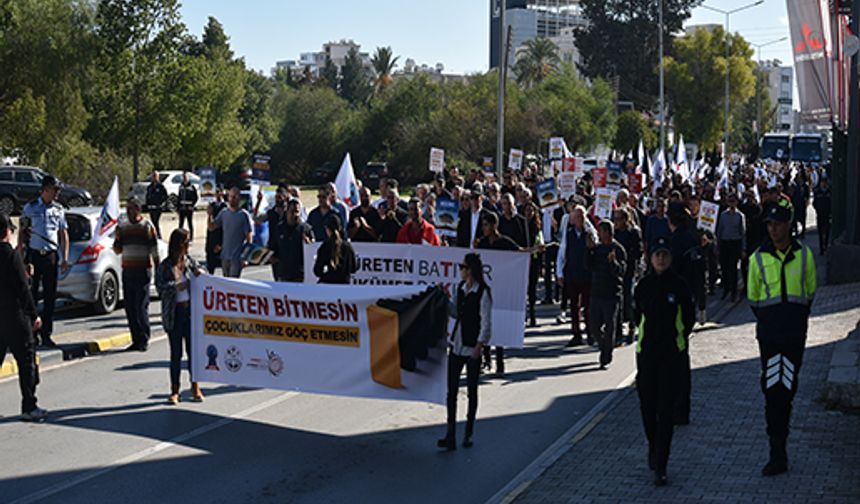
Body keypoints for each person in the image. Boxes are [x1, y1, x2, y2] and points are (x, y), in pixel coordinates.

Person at [747, 196, 816, 477]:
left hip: (794, 337)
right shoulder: (758, 258)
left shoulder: (804, 254)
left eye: (777, 224)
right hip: (770, 339)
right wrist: (771, 320)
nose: (773, 229)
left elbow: (809, 290)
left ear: (788, 225)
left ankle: (780, 445)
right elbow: (753, 296)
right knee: (774, 391)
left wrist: (794, 318)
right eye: (770, 225)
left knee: (787, 390)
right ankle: (777, 451)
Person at [634, 236, 695, 486]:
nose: (660, 259)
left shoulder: (679, 285)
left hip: (671, 356)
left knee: (666, 411)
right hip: (647, 355)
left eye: (664, 255)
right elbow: (637, 316)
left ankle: (662, 463)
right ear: (650, 258)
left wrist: (678, 341)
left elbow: (688, 319)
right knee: (647, 408)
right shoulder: (643, 286)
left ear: (670, 258)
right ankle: (653, 444)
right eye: (657, 255)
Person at [437, 252, 492, 451]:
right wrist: (443, 299)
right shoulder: (459, 288)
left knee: (471, 391)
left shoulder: (482, 292)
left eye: (462, 267)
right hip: (457, 344)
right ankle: (450, 433)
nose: (460, 270)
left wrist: (480, 345)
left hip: (471, 346)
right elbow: (456, 313)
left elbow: (485, 321)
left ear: (470, 270)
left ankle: (468, 432)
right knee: (451, 390)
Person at [0, 214, 47, 422]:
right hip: (15, 317)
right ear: (6, 232)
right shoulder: (10, 256)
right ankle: (29, 405)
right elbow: (22, 289)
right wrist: (34, 314)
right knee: (26, 361)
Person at [156, 228, 205, 405]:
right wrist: (176, 287)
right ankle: (175, 390)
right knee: (176, 354)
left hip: (190, 313)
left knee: (193, 353)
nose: (188, 246)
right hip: (174, 314)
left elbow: (202, 272)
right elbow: (160, 287)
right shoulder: (165, 265)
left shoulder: (189, 262)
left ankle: (195, 386)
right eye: (186, 242)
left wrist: (200, 272)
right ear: (179, 244)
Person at [20, 175, 69, 348]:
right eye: (55, 189)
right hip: (34, 256)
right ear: (46, 189)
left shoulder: (58, 209)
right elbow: (22, 232)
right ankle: (32, 334)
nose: (57, 193)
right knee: (31, 297)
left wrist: (65, 257)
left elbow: (63, 234)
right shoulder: (30, 207)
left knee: (50, 297)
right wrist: (20, 256)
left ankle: (46, 334)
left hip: (50, 256)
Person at [113, 197, 159, 352]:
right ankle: (135, 339)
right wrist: (117, 238)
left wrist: (158, 269)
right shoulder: (123, 227)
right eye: (126, 208)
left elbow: (154, 249)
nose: (128, 211)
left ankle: (144, 338)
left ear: (138, 209)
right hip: (128, 271)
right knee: (130, 308)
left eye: (131, 208)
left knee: (140, 307)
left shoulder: (147, 226)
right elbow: (117, 250)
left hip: (142, 271)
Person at [585, 220, 627, 369]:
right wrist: (589, 250)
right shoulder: (597, 249)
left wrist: (613, 262)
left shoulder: (618, 249)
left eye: (601, 231)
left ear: (608, 233)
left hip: (611, 294)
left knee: (610, 326)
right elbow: (588, 266)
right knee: (593, 326)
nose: (599, 234)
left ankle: (606, 355)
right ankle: (603, 346)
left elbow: (621, 272)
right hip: (596, 292)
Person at [557, 204, 597, 347]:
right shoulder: (568, 234)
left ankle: (591, 333)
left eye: (581, 217)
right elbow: (562, 253)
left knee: (588, 306)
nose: (579, 220)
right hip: (572, 273)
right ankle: (576, 334)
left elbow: (595, 249)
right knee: (574, 306)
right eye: (576, 217)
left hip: (586, 274)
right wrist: (559, 272)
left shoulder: (590, 232)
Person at [208, 187, 253, 278]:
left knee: (233, 282)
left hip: (237, 257)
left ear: (239, 199)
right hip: (225, 256)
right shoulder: (224, 213)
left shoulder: (243, 215)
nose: (232, 199)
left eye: (235, 197)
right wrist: (209, 215)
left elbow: (249, 238)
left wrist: (245, 258)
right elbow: (211, 227)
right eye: (230, 197)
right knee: (226, 283)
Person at [613, 208, 642, 345]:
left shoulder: (633, 232)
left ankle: (631, 325)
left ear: (625, 219)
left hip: (629, 270)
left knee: (628, 298)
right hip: (616, 270)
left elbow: (638, 250)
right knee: (617, 300)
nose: (616, 222)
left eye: (618, 219)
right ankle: (618, 332)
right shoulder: (615, 232)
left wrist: (629, 258)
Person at [271, 198, 313, 282]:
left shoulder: (306, 229)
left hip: (300, 275)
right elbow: (273, 248)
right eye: (292, 211)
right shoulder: (279, 229)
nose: (295, 214)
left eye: (297, 211)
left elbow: (312, 252)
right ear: (287, 211)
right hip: (283, 274)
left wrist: (309, 244)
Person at [715, 193, 746, 302]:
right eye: (730, 201)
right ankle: (726, 289)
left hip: (734, 243)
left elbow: (742, 233)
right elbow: (719, 231)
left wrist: (743, 249)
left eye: (733, 201)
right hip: (724, 243)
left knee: (733, 268)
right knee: (724, 267)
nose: (731, 203)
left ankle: (733, 291)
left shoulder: (740, 216)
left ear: (737, 202)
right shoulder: (723, 215)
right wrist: (717, 246)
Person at [313, 215, 357, 284]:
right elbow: (353, 268)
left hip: (327, 285)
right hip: (344, 286)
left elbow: (317, 271)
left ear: (327, 229)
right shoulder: (348, 247)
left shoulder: (325, 247)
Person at [523, 202, 544, 327]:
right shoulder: (521, 225)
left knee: (532, 288)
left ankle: (532, 314)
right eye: (527, 211)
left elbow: (539, 241)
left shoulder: (537, 227)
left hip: (534, 261)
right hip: (523, 260)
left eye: (531, 211)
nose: (529, 213)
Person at [204, 185, 227, 275]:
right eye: (215, 191)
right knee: (210, 266)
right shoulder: (212, 205)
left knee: (224, 268)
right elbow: (209, 226)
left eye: (218, 191)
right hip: (211, 238)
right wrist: (209, 214)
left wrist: (221, 244)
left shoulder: (225, 206)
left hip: (220, 237)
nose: (216, 193)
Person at [145, 171, 168, 239]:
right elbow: (147, 196)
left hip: (158, 208)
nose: (154, 177)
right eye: (153, 176)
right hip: (151, 208)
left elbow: (165, 197)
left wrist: (162, 204)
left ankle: (159, 236)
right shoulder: (150, 187)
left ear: (158, 177)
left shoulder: (161, 186)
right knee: (153, 222)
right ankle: (155, 236)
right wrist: (148, 204)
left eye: (156, 176)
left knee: (156, 222)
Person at [176, 172, 198, 241]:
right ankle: (179, 237)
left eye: (186, 177)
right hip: (182, 208)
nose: (185, 179)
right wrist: (177, 208)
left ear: (188, 178)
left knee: (190, 223)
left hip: (189, 209)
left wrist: (192, 206)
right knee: (180, 224)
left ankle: (191, 238)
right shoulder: (180, 186)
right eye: (183, 177)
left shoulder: (192, 187)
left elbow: (196, 198)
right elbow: (179, 198)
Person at [812, 177, 831, 255]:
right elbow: (814, 203)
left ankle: (826, 246)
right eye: (822, 183)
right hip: (820, 214)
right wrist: (817, 210)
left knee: (827, 232)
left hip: (828, 215)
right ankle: (821, 249)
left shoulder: (830, 192)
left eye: (825, 183)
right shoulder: (817, 192)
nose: (823, 184)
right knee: (820, 232)